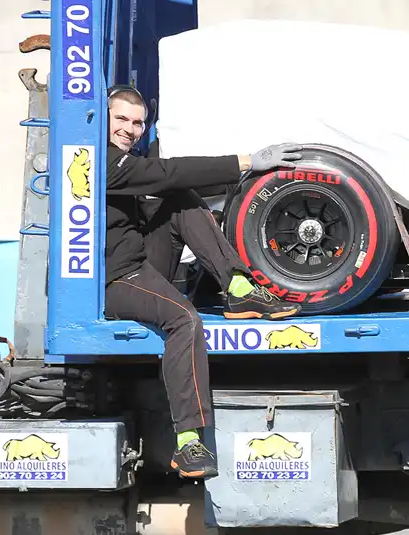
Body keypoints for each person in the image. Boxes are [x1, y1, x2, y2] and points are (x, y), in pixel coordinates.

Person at [103, 84, 305, 479]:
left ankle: (239, 290)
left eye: (138, 122)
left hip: (140, 260)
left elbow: (171, 178)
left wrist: (259, 176)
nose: (130, 129)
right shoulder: (101, 162)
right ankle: (188, 443)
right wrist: (247, 160)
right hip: (116, 279)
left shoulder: (129, 161)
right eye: (121, 119)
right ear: (101, 119)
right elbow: (166, 170)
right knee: (185, 320)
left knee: (179, 196)